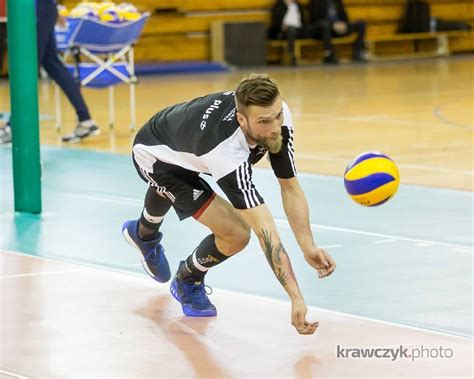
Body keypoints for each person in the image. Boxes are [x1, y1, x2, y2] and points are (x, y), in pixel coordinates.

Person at [122, 74, 336, 335]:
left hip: (181, 139)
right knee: (237, 233)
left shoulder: (275, 116)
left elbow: (289, 185)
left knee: (191, 181)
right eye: (264, 122)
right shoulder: (226, 152)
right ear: (241, 119)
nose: (274, 127)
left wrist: (308, 245)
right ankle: (185, 275)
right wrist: (295, 297)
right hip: (154, 155)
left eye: (278, 116)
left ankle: (142, 233)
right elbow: (265, 232)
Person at [0, 0, 100, 145]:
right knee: (53, 65)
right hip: (41, 8)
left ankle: (13, 128)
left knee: (27, 67)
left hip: (35, 7)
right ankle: (85, 120)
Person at [268, 0, 307, 66]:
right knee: (291, 30)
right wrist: (282, 26)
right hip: (285, 31)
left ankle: (327, 53)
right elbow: (276, 21)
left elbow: (304, 20)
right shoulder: (279, 5)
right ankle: (292, 55)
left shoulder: (298, 5)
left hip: (299, 30)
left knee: (322, 25)